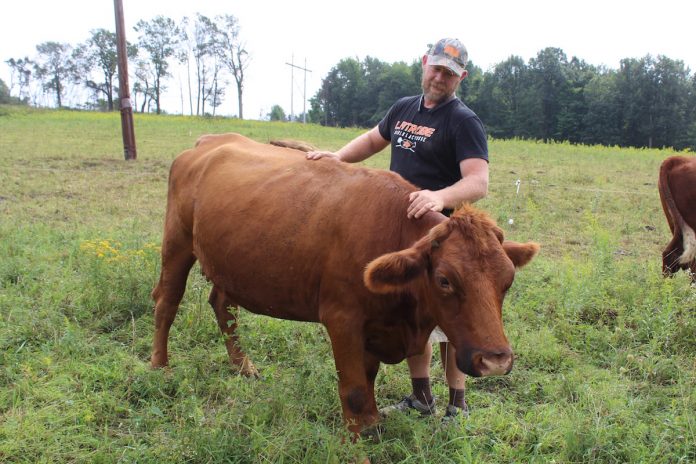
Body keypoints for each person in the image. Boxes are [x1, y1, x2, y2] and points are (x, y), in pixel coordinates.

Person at [306, 37, 489, 421]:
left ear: (461, 78)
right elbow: (373, 139)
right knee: (414, 316)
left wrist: (439, 197)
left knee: (449, 320)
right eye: (436, 68)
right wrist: (336, 159)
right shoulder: (405, 109)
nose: (440, 77)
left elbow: (478, 182)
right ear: (425, 63)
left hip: (440, 234)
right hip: (398, 230)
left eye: (450, 74)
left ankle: (458, 405)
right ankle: (421, 397)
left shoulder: (463, 121)